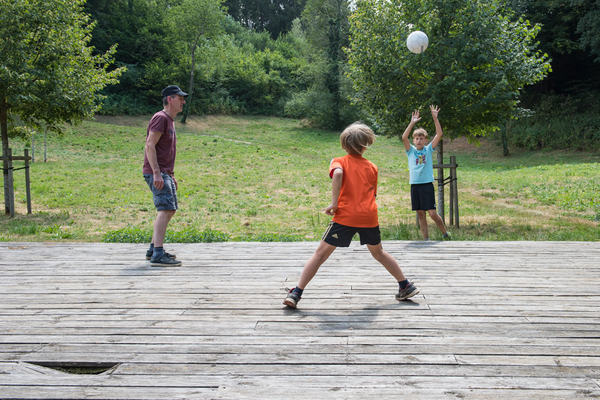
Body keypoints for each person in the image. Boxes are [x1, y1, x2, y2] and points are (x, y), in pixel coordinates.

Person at [283, 122, 419, 308]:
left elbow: (338, 173)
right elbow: (373, 194)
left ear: (343, 145)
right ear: (365, 145)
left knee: (319, 255)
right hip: (368, 217)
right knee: (378, 253)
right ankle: (405, 285)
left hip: (346, 217)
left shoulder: (338, 161)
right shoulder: (373, 167)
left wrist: (334, 202)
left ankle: (296, 292)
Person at [142, 85, 187, 266]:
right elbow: (150, 145)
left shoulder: (169, 120)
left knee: (170, 208)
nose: (183, 101)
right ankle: (158, 254)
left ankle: (154, 249)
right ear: (170, 99)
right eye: (180, 98)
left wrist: (171, 173)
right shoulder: (160, 118)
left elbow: (165, 150)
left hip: (164, 172)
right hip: (157, 172)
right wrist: (157, 173)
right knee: (165, 209)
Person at [401, 105, 450, 241]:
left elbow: (439, 134)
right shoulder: (410, 150)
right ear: (414, 140)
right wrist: (412, 123)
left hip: (427, 185)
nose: (419, 140)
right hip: (415, 185)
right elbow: (404, 137)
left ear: (425, 140)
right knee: (421, 214)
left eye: (421, 138)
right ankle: (426, 240)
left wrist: (435, 118)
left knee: (433, 214)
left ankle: (445, 234)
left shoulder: (428, 150)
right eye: (416, 138)